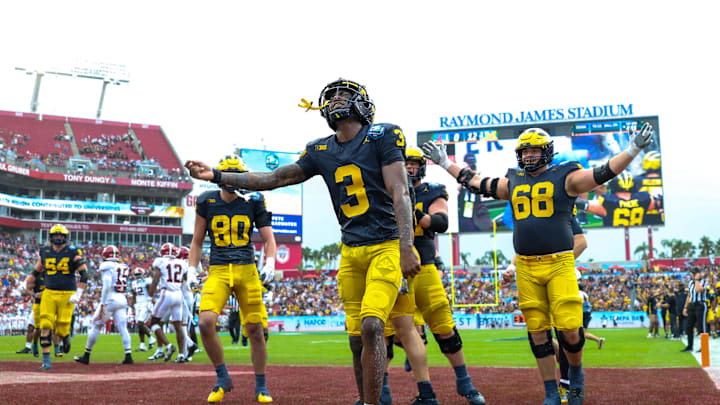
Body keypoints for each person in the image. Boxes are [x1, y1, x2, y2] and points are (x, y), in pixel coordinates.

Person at [185, 78, 421, 405]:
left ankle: (374, 402)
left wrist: (407, 246)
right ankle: (372, 398)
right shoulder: (320, 149)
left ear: (363, 104)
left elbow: (400, 190)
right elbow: (273, 178)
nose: (337, 99)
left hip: (386, 245)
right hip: (351, 251)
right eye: (332, 95)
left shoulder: (382, 135)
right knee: (356, 340)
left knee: (371, 327)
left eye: (345, 94)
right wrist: (217, 176)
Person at [423, 123, 655, 405]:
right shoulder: (515, 180)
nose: (530, 156)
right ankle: (550, 392)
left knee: (570, 327)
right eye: (526, 151)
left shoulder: (565, 176)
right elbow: (478, 182)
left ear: (547, 152)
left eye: (535, 150)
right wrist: (446, 162)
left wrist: (633, 149)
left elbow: (602, 172)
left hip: (559, 262)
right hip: (526, 266)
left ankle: (576, 378)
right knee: (537, 331)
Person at [187, 155, 277, 403]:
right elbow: (196, 240)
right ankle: (222, 376)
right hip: (218, 269)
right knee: (205, 322)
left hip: (247, 269)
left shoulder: (254, 200)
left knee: (255, 330)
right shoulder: (207, 200)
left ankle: (261, 386)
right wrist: (191, 269)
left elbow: (269, 240)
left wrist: (269, 262)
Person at [399, 146, 485, 404]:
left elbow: (441, 223)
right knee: (395, 331)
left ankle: (464, 382)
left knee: (444, 326)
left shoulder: (430, 191)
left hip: (423, 265)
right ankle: (419, 391)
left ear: (421, 167)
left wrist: (411, 212)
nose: (407, 167)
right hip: (392, 267)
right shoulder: (383, 191)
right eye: (403, 163)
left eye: (412, 163)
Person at [34, 224, 89, 370]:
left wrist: (79, 293)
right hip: (49, 292)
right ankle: (46, 361)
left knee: (62, 330)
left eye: (61, 235)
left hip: (67, 293)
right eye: (56, 235)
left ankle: (65, 338)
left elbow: (85, 273)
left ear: (65, 237)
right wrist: (24, 284)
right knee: (45, 324)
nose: (58, 238)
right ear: (51, 237)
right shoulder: (44, 251)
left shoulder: (72, 252)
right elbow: (36, 271)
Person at [74, 245, 133, 365]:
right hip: (122, 297)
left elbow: (107, 284)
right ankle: (128, 356)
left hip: (110, 298)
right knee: (123, 328)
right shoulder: (123, 266)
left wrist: (103, 303)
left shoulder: (107, 265)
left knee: (96, 325)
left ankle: (86, 355)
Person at [148, 242, 187, 363]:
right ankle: (181, 354)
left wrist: (150, 297)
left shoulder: (160, 261)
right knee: (178, 325)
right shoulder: (182, 263)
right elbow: (185, 280)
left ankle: (168, 346)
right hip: (178, 294)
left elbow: (155, 280)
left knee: (154, 323)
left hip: (166, 293)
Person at [16, 271, 44, 357]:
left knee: (44, 329)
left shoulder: (52, 276)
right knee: (31, 327)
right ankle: (28, 347)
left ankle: (59, 347)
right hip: (37, 305)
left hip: (48, 305)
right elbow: (27, 289)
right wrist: (35, 294)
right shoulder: (37, 276)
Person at [682, 268, 710, 352]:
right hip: (692, 305)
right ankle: (690, 346)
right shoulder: (691, 282)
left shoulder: (703, 281)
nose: (692, 275)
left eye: (694, 273)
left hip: (701, 305)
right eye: (692, 274)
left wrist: (697, 279)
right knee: (688, 326)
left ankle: (704, 347)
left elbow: (698, 290)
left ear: (698, 274)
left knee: (702, 327)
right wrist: (685, 307)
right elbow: (689, 295)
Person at [129, 267, 156, 352]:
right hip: (138, 305)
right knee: (139, 325)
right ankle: (142, 345)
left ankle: (151, 338)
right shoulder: (133, 283)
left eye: (139, 274)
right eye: (136, 275)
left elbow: (151, 291)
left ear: (143, 274)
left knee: (140, 323)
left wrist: (151, 302)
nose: (137, 276)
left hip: (146, 304)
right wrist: (132, 305)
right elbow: (134, 295)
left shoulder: (147, 281)